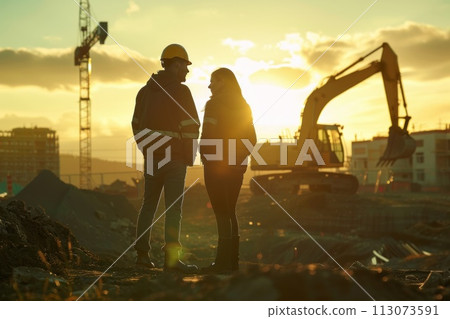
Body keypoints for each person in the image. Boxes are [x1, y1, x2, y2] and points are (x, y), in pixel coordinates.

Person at [131, 44, 200, 273]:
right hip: (174, 159)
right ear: (176, 64)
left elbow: (136, 126)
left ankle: (142, 256)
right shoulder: (181, 92)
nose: (187, 72)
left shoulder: (144, 92)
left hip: (152, 158)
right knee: (173, 209)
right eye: (185, 66)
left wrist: (147, 150)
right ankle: (171, 260)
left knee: (148, 205)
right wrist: (187, 157)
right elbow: (191, 127)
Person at [200, 68, 257, 273]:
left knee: (221, 211)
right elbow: (252, 139)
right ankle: (232, 262)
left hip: (216, 166)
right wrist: (238, 157)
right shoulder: (245, 106)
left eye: (212, 81)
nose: (209, 86)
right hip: (236, 167)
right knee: (230, 211)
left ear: (223, 81)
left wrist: (208, 158)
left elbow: (208, 136)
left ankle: (223, 263)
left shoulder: (213, 105)